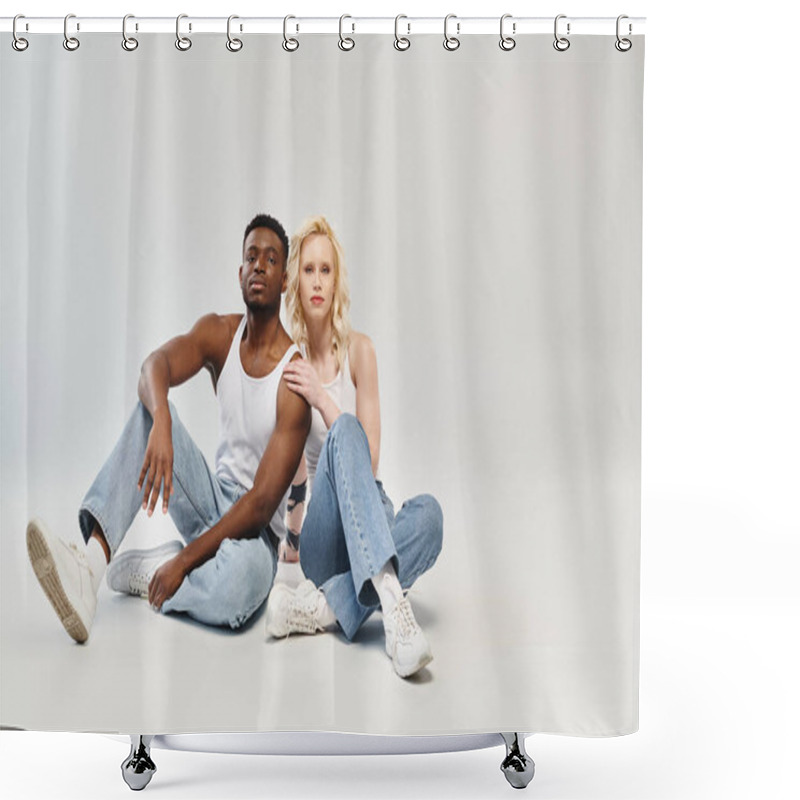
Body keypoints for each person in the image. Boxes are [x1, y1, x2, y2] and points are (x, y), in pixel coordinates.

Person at [26, 213, 311, 643]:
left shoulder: (294, 379)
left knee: (240, 589)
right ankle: (90, 567)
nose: (259, 266)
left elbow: (259, 505)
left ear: (284, 280)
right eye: (251, 256)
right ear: (239, 272)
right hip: (211, 498)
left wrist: (183, 563)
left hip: (255, 541)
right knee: (148, 408)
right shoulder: (220, 334)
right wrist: (161, 416)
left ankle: (159, 571)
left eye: (271, 260)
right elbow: (153, 367)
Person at [264, 216, 443, 679]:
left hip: (368, 514)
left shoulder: (361, 350)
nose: (318, 281)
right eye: (308, 270)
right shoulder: (291, 364)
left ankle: (323, 609)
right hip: (326, 538)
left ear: (336, 280)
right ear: (296, 282)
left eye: (326, 270)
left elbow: (371, 458)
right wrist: (291, 535)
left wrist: (323, 399)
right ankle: (392, 604)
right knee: (344, 429)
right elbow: (294, 470)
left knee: (430, 516)